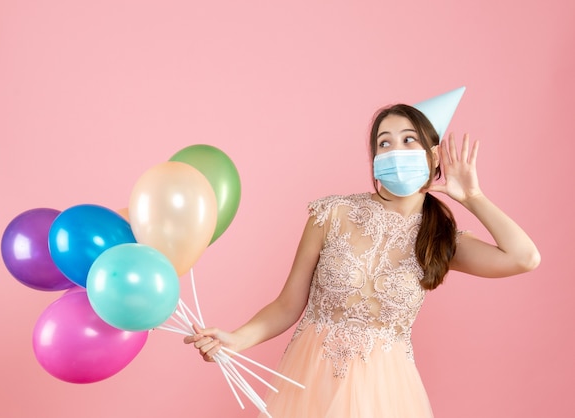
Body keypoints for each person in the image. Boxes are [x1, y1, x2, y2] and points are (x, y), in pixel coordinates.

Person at [184, 104, 541, 417]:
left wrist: (473, 196)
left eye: (408, 140)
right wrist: (236, 340)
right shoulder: (332, 214)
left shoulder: (441, 239)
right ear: (374, 160)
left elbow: (524, 258)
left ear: (434, 158)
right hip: (312, 383)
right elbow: (288, 304)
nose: (394, 150)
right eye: (384, 143)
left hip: (387, 396)